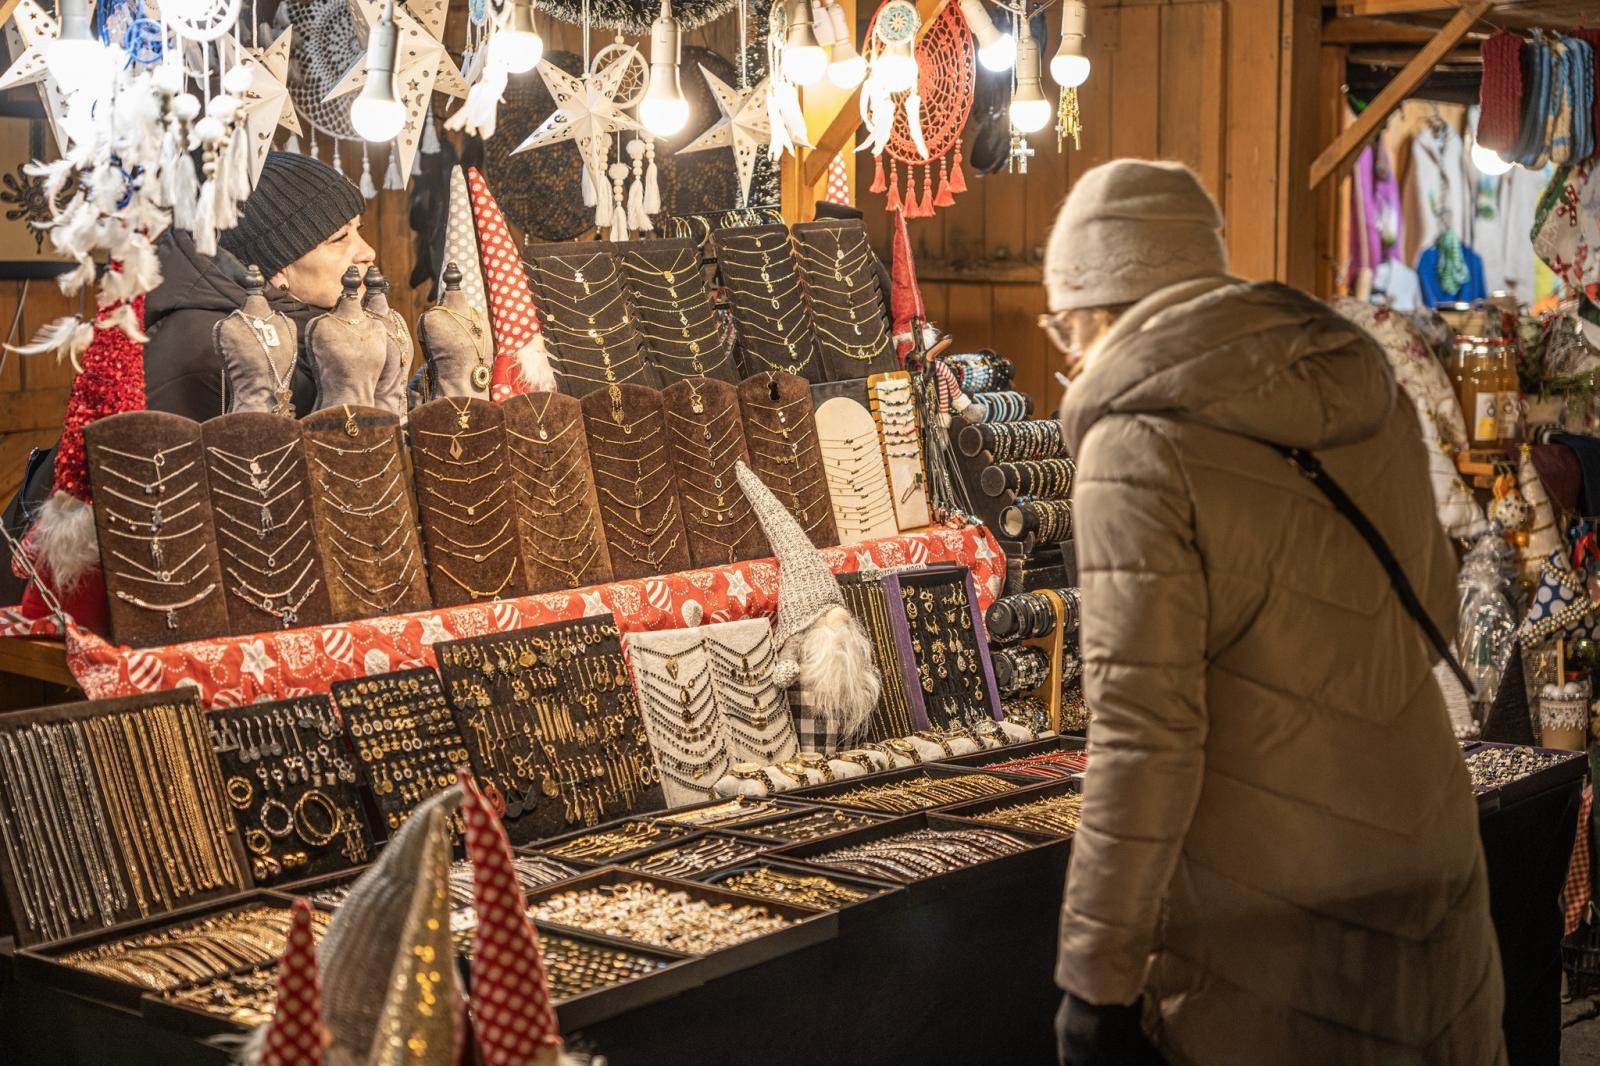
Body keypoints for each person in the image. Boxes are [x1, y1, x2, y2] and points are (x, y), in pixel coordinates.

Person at [1044, 160, 1505, 1065]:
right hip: (1436, 867)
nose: (1066, 352)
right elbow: (1435, 609)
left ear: (1102, 308)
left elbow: (1145, 741)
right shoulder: (1360, 381)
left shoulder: (1132, 444)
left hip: (1275, 930)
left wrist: (1095, 981)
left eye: (1063, 324)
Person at [143, 150, 374, 420]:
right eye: (339, 238)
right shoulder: (209, 348)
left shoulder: (322, 328)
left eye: (359, 230)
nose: (367, 252)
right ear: (277, 268)